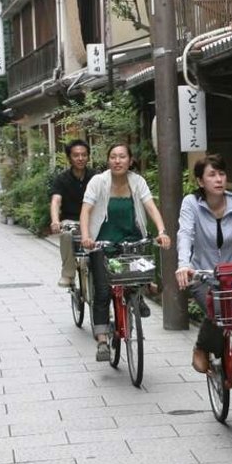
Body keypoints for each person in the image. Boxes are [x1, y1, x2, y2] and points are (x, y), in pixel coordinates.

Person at [79, 143, 171, 362]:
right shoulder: (98, 182)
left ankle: (137, 294)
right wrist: (86, 237)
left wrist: (162, 231)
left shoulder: (137, 182)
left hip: (130, 239)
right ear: (108, 160)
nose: (117, 161)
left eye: (122, 157)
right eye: (113, 157)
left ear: (130, 160)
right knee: (103, 291)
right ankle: (102, 340)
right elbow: (86, 210)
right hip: (103, 242)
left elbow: (150, 207)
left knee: (142, 266)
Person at [174, 154, 232, 374]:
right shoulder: (191, 203)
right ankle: (202, 347)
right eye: (212, 175)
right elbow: (185, 234)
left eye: (222, 173)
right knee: (218, 311)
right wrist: (184, 265)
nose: (219, 179)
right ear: (201, 181)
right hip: (203, 275)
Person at [48, 139, 91, 287]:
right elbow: (56, 201)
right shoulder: (62, 179)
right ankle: (68, 274)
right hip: (70, 220)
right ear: (69, 158)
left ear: (88, 157)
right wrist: (55, 220)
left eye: (84, 155)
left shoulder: (96, 177)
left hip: (93, 221)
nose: (80, 158)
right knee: (66, 235)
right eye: (76, 155)